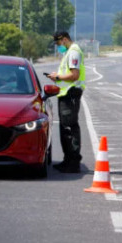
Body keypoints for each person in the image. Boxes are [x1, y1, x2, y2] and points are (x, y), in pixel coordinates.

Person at [46, 31, 86, 173]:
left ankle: (73, 162)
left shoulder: (73, 52)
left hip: (71, 93)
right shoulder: (69, 52)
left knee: (69, 129)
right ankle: (68, 160)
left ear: (64, 39)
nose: (58, 46)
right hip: (66, 94)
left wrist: (58, 77)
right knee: (65, 128)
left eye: (58, 43)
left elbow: (74, 75)